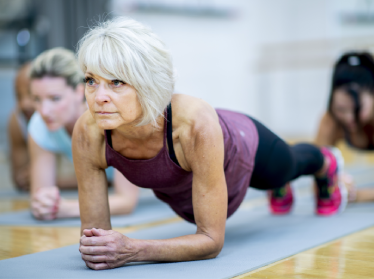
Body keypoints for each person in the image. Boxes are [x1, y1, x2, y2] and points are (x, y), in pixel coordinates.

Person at [74, 18, 346, 270]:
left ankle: (325, 162)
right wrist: (103, 248)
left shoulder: (194, 125)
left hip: (242, 144)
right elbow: (95, 241)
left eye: (117, 82)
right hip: (192, 180)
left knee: (291, 165)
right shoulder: (89, 132)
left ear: (148, 84)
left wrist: (133, 250)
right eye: (91, 81)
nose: (99, 98)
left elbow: (211, 241)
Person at [28, 47, 139, 220]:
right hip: (104, 185)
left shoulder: (108, 117)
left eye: (55, 98)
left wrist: (66, 208)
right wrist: (44, 203)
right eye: (37, 99)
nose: (44, 110)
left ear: (79, 92)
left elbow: (126, 201)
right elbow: (40, 195)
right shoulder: (39, 123)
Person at [315, 51, 374, 202]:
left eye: (356, 109)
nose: (349, 118)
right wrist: (334, 182)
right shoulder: (331, 119)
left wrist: (359, 194)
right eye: (341, 109)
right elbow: (316, 173)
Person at [8, 62, 35, 190]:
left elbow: (103, 179)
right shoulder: (18, 120)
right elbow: (21, 179)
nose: (24, 104)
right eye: (18, 96)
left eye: (31, 93)